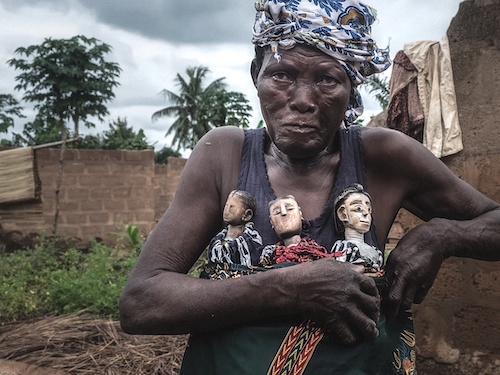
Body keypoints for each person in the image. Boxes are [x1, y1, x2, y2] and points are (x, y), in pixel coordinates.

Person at [119, 0, 500, 374]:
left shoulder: (384, 157)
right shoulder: (223, 154)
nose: (302, 100)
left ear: (351, 89)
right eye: (282, 74)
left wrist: (443, 235)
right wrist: (288, 288)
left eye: (327, 79)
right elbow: (142, 302)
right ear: (257, 74)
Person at [331, 183, 384, 273]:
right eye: (358, 208)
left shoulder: (376, 251)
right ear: (343, 214)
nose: (366, 213)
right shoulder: (344, 247)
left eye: (369, 209)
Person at [208, 189, 262, 267]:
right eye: (226, 206)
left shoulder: (251, 240)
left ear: (247, 215)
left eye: (232, 207)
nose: (226, 210)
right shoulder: (217, 239)